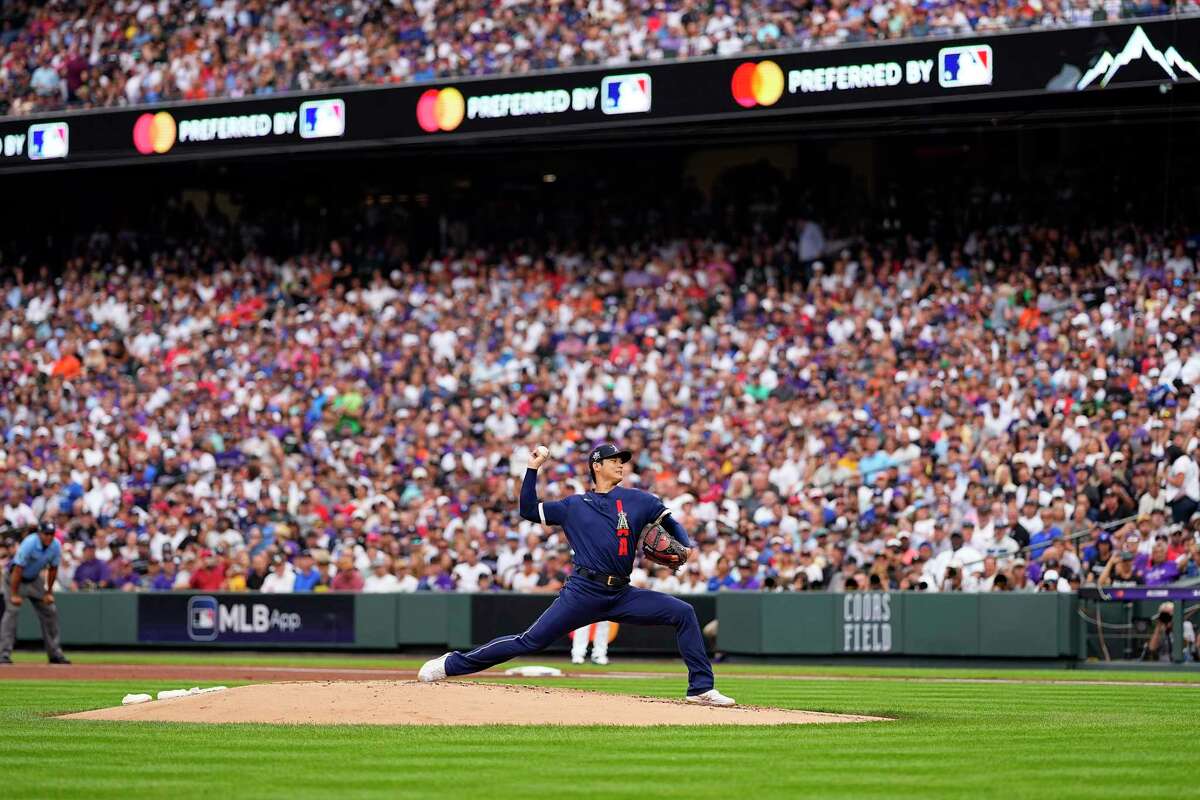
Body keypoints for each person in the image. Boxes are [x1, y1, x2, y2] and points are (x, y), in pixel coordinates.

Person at [419, 443, 734, 706]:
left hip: (622, 593)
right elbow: (528, 510)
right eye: (614, 461)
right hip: (583, 592)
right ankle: (451, 664)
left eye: (623, 461)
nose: (621, 465)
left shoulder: (639, 500)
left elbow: (668, 520)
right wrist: (532, 469)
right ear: (597, 466)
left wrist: (686, 545)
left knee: (683, 612)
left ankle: (700, 689)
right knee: (528, 642)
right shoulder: (573, 505)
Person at [0, 521, 70, 664]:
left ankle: (55, 654)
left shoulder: (55, 545)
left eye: (51, 534)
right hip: (14, 579)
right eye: (46, 534)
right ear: (40, 533)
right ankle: (3, 654)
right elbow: (18, 569)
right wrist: (14, 594)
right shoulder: (30, 543)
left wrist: (49, 592)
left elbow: (53, 568)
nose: (49, 537)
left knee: (50, 611)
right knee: (11, 613)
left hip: (34, 580)